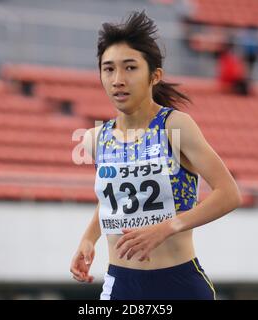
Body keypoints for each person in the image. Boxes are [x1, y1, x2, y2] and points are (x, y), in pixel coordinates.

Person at [70, 11, 242, 300]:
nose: (118, 80)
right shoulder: (95, 139)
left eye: (130, 68)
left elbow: (229, 194)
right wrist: (89, 238)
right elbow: (114, 201)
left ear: (155, 75)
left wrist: (166, 228)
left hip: (178, 283)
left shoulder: (176, 126)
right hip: (120, 284)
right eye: (108, 69)